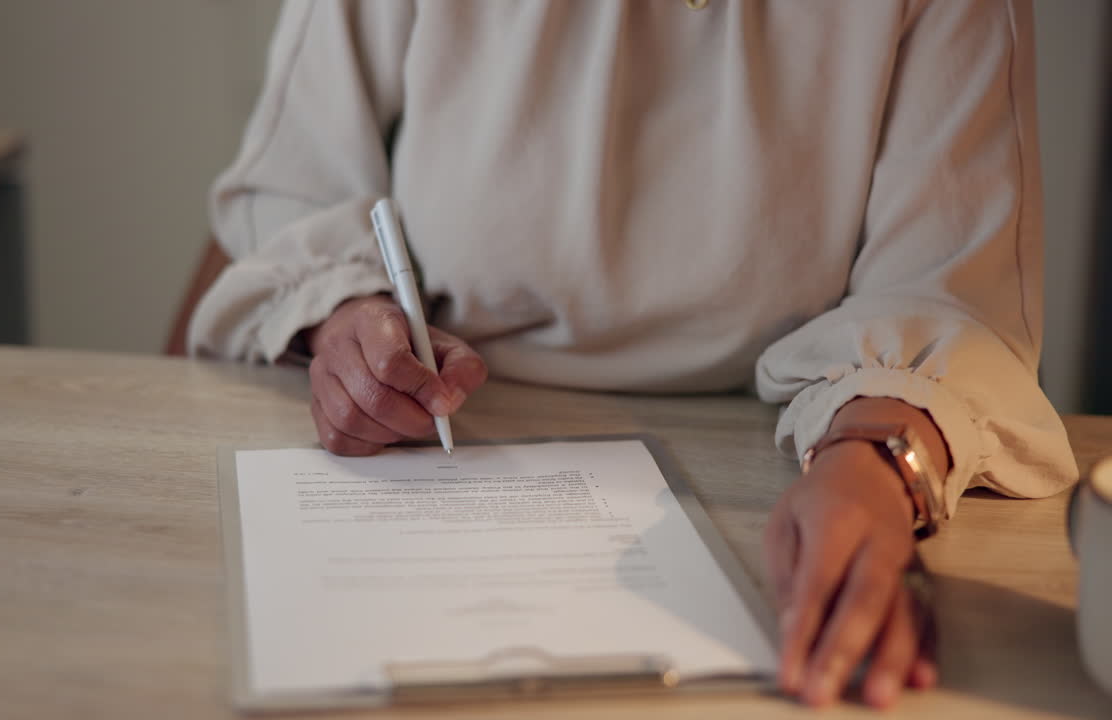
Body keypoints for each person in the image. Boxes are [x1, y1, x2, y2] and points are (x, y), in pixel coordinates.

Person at [188, 0, 1078, 709]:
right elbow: (293, 183)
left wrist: (878, 459)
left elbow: (948, 287)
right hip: (447, 429)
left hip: (778, 451)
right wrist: (346, 316)